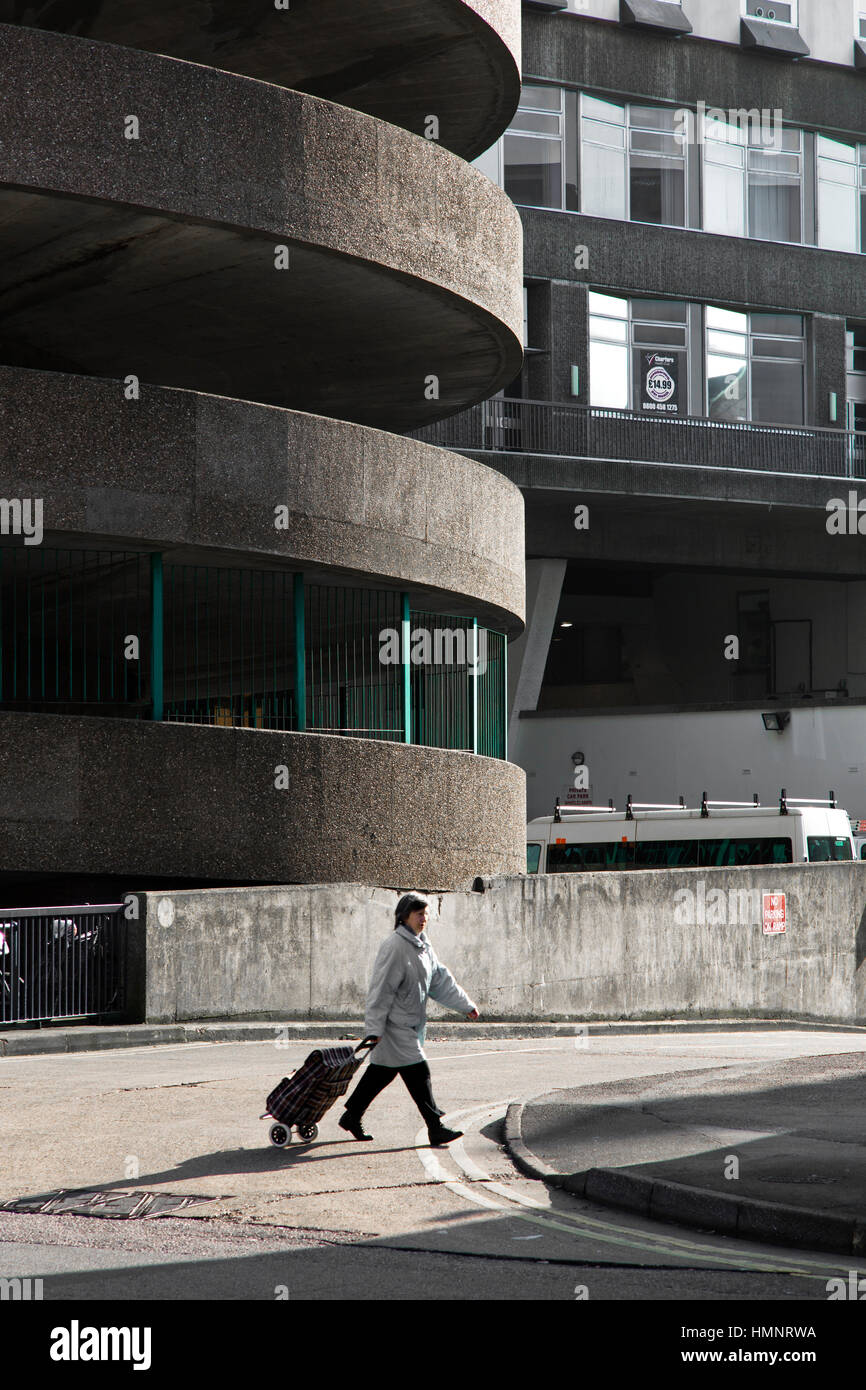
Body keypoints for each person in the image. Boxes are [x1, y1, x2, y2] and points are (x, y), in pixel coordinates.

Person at [338, 891, 480, 1146]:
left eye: (426, 913)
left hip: (409, 1024)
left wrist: (465, 1005)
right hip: (395, 1026)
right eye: (418, 913)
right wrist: (374, 1028)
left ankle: (352, 1115)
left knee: (382, 1073)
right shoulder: (395, 946)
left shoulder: (422, 945)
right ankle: (435, 1127)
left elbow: (440, 980)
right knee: (419, 1071)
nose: (423, 918)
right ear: (404, 916)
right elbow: (380, 989)